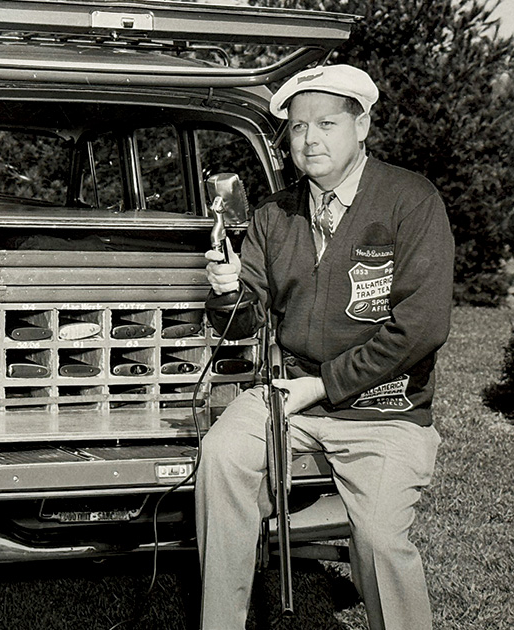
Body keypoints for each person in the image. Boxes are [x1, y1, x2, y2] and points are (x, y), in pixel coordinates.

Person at [195, 64, 454, 629]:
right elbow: (246, 319)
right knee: (222, 456)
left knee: (382, 539)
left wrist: (323, 384)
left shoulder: (411, 200)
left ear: (362, 127)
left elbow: (422, 327)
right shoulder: (272, 215)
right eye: (296, 128)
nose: (310, 139)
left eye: (327, 124)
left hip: (385, 409)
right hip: (288, 394)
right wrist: (227, 291)